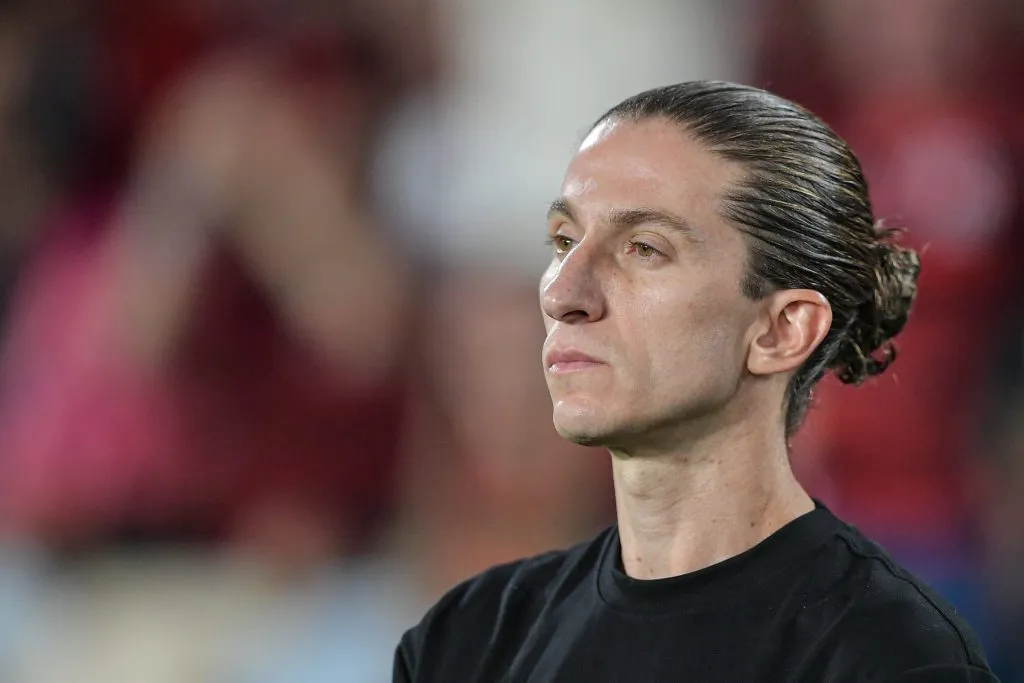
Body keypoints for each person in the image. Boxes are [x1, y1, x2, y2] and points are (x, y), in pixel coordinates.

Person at [392, 81, 999, 682]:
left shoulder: (890, 658)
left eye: (644, 248)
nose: (561, 293)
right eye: (564, 241)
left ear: (782, 330)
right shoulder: (468, 637)